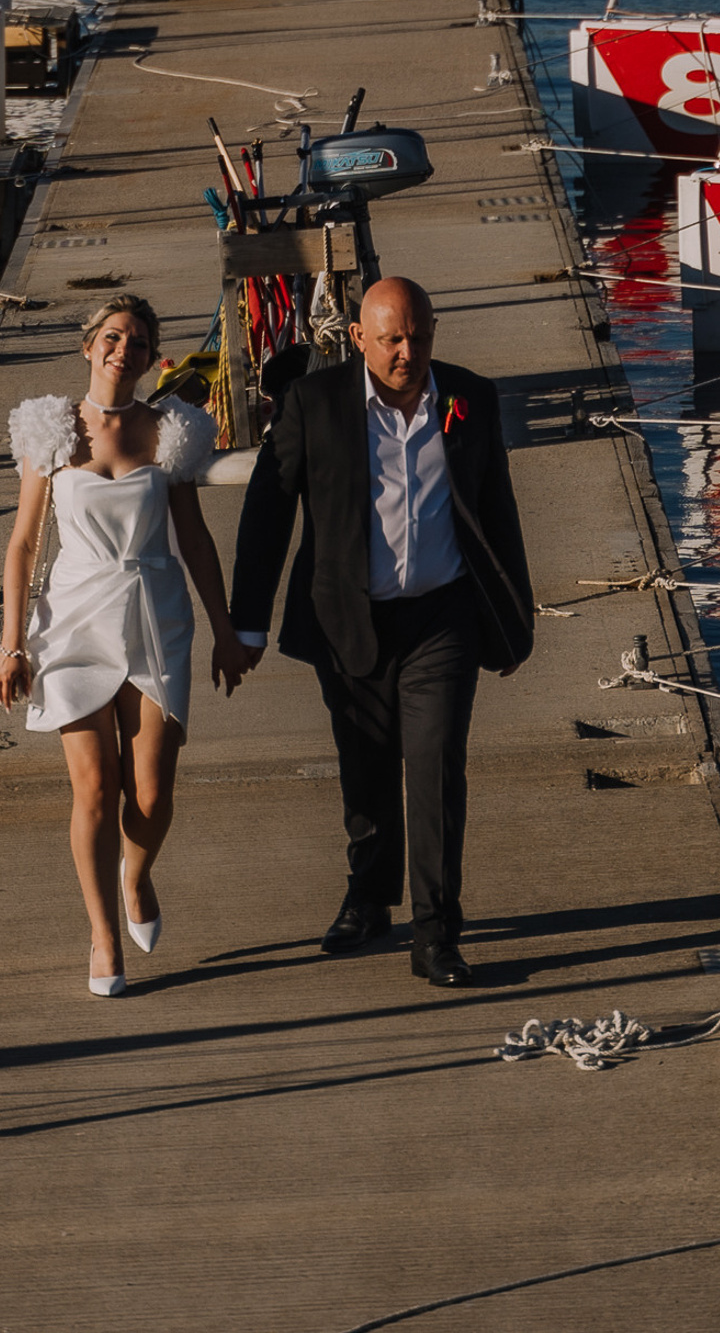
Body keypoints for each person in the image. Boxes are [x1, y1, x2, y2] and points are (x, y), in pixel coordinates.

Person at [229, 277, 535, 987]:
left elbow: (498, 513)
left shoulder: (469, 399)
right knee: (365, 768)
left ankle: (435, 934)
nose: (408, 352)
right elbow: (267, 514)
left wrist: (513, 624)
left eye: (420, 335)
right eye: (392, 339)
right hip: (348, 619)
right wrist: (245, 623)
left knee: (434, 772)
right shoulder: (314, 404)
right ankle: (368, 897)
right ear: (359, 338)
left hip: (443, 619)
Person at [0, 292, 252, 998]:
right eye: (112, 337)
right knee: (96, 790)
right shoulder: (49, 427)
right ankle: (104, 937)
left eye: (138, 342)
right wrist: (10, 643)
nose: (123, 349)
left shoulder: (171, 431)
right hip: (73, 622)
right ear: (88, 346)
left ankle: (135, 877)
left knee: (152, 791)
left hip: (154, 615)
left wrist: (226, 631)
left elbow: (194, 541)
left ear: (148, 357)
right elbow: (22, 546)